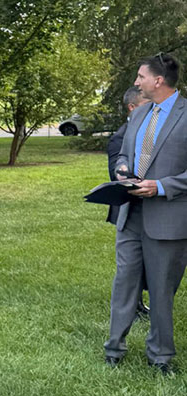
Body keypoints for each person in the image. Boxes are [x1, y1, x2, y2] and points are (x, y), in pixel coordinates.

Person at [105, 52, 187, 374]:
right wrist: (123, 169)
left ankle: (161, 356)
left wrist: (162, 186)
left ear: (158, 80)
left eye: (140, 76)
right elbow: (124, 153)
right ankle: (114, 348)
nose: (136, 82)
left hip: (168, 218)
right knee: (123, 282)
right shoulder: (139, 114)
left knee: (161, 289)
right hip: (131, 214)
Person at [107, 87, 150, 319]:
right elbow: (117, 177)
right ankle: (130, 308)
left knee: (145, 262)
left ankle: (138, 303)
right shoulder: (121, 137)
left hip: (153, 208)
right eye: (147, 103)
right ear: (132, 107)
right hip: (129, 209)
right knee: (130, 265)